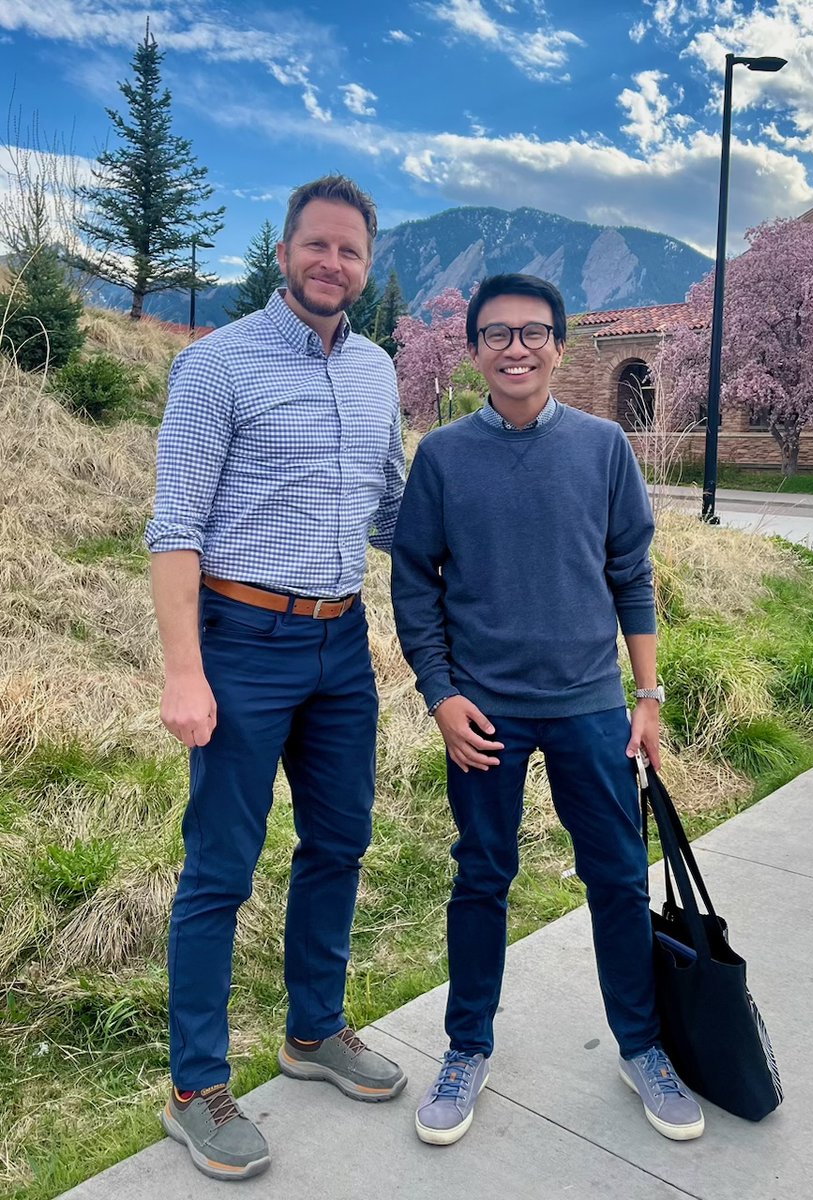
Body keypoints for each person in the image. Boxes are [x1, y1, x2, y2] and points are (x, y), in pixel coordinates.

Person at [390, 273, 705, 1148]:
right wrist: (440, 696)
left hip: (590, 708)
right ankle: (465, 1050)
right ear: (474, 348)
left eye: (532, 332)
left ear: (559, 346)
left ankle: (641, 1048)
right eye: (497, 333)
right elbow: (413, 584)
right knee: (480, 878)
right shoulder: (444, 456)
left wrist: (647, 698)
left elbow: (631, 576)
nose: (516, 348)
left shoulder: (604, 448)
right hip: (482, 714)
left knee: (614, 877)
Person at [145, 174, 407, 1182]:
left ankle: (312, 1034)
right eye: (316, 246)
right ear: (285, 249)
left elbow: (387, 511)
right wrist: (185, 673)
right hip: (242, 643)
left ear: (365, 265)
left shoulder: (379, 370)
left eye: (349, 252)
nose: (331, 264)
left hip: (341, 644)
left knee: (339, 841)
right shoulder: (217, 368)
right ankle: (194, 1089)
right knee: (220, 868)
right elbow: (175, 529)